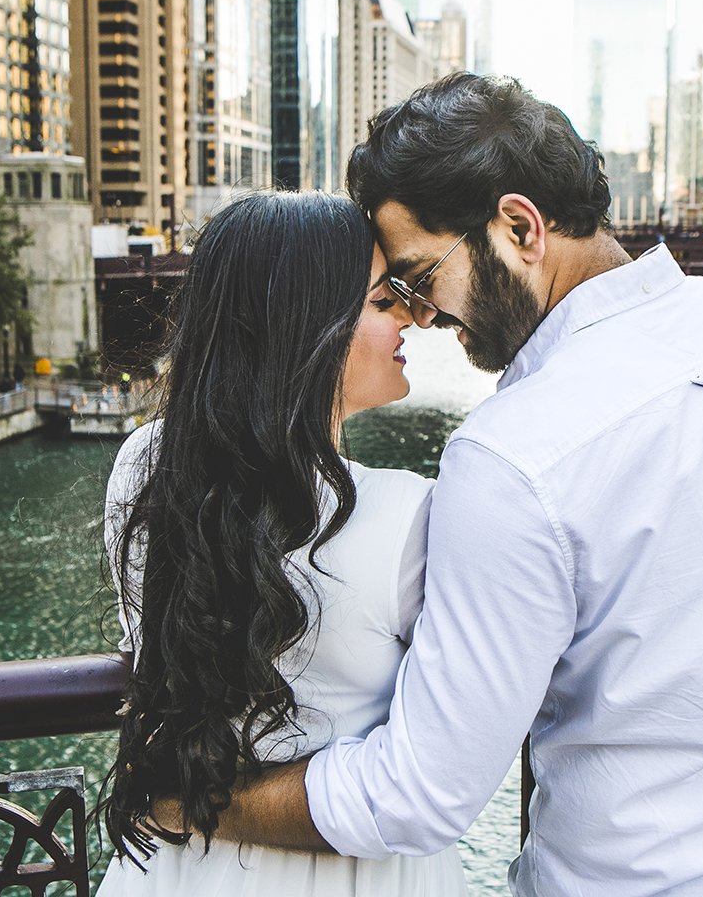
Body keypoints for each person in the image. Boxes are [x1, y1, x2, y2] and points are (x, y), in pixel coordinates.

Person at [181, 73, 703, 896]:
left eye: (420, 276)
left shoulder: (512, 457)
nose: (422, 316)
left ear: (519, 227)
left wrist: (194, 805)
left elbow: (418, 795)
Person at [95, 192, 469, 896]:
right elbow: (435, 773)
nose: (415, 317)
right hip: (352, 874)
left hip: (174, 866)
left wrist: (181, 794)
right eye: (383, 302)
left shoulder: (144, 465)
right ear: (306, 327)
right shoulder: (409, 514)